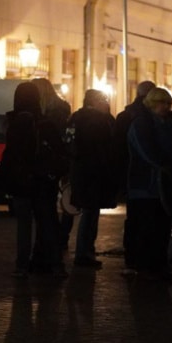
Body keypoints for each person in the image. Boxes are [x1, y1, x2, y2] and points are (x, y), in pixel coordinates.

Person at [0, 82, 68, 278]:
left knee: (24, 225)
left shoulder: (13, 124)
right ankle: (55, 264)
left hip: (21, 182)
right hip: (42, 182)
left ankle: (21, 265)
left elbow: (11, 155)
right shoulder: (45, 124)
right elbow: (59, 151)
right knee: (47, 223)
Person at [126, 87, 172, 280]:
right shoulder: (142, 123)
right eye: (161, 102)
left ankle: (157, 264)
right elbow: (146, 151)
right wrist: (165, 164)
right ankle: (145, 266)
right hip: (145, 183)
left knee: (161, 226)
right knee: (146, 225)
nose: (165, 107)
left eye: (168, 103)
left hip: (162, 184)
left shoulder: (167, 124)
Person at [64, 89, 116, 268]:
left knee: (86, 211)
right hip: (94, 173)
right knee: (90, 213)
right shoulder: (98, 120)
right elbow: (104, 147)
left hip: (79, 170)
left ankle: (82, 250)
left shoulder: (75, 118)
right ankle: (84, 253)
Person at [113, 80, 155, 274]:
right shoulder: (145, 119)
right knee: (145, 218)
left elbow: (117, 148)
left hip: (130, 174)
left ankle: (132, 258)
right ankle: (141, 258)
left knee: (134, 218)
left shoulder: (125, 116)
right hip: (142, 174)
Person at [30, 78, 72, 254]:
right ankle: (55, 241)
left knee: (48, 208)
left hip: (48, 165)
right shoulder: (61, 110)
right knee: (55, 205)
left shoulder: (48, 115)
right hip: (57, 164)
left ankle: (52, 244)